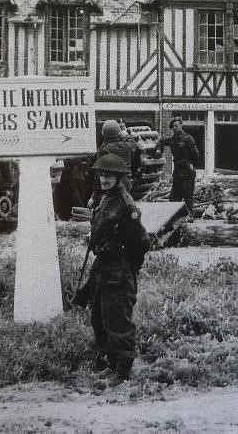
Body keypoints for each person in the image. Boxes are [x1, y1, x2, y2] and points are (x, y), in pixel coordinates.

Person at [86, 154, 151, 383]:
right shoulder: (106, 199)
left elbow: (142, 242)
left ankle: (123, 370)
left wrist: (129, 266)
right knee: (100, 316)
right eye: (101, 174)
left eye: (109, 175)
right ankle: (111, 362)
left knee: (118, 319)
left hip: (119, 269)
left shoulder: (126, 205)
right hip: (103, 265)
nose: (104, 179)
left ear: (119, 177)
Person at [154, 117, 200, 216]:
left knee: (188, 196)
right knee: (174, 196)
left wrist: (191, 164)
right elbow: (161, 142)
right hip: (178, 171)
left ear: (181, 125)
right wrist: (158, 149)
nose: (174, 128)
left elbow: (196, 155)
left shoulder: (188, 139)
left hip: (187, 171)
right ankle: (173, 217)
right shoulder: (172, 140)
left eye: (176, 126)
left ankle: (189, 216)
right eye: (173, 127)